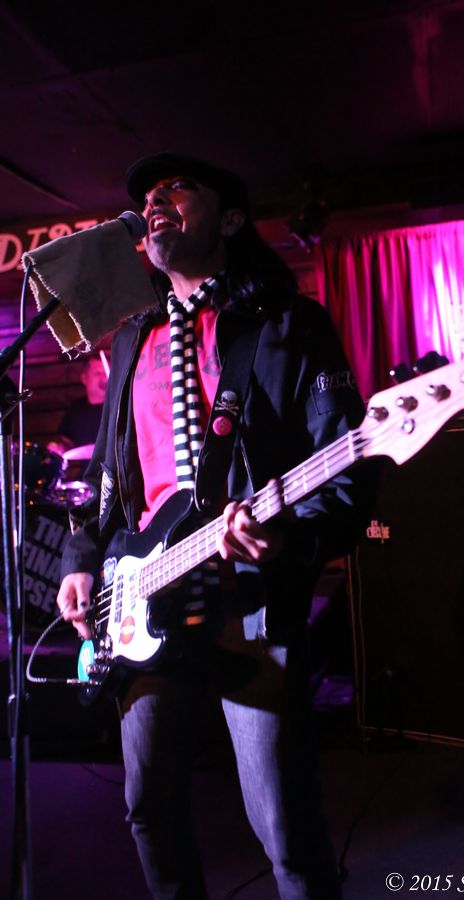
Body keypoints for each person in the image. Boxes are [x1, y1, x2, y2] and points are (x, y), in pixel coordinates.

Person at [56, 152, 374, 900]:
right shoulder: (131, 340)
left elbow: (349, 470)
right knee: (148, 810)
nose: (155, 200)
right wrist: (80, 559)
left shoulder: (289, 326)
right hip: (144, 597)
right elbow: (107, 480)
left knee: (286, 831)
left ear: (230, 219)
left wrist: (285, 537)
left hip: (250, 603)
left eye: (178, 188)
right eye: (147, 195)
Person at [49, 353, 108, 454]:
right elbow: (66, 442)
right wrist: (60, 448)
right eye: (98, 373)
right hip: (88, 464)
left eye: (105, 372)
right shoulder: (76, 410)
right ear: (84, 378)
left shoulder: (120, 406)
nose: (104, 378)